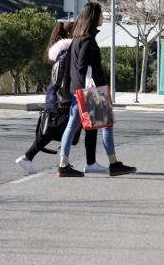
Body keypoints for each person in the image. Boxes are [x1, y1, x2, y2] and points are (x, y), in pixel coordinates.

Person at [15, 21, 108, 175]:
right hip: (69, 96)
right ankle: (32, 158)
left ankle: (28, 157)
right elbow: (68, 77)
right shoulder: (68, 53)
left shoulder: (62, 52)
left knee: (71, 129)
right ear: (70, 34)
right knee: (59, 130)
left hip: (64, 96)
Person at [57, 2, 136, 178]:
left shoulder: (77, 39)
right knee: (107, 126)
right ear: (93, 18)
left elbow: (73, 67)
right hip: (92, 91)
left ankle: (63, 165)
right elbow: (82, 67)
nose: (102, 18)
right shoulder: (88, 40)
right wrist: (96, 91)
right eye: (100, 15)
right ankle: (114, 164)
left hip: (78, 91)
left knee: (71, 127)